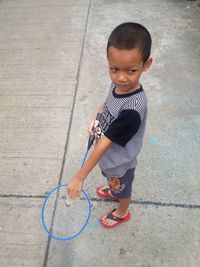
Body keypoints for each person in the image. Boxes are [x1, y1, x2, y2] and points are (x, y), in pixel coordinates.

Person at [67, 22, 153, 228]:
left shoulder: (133, 109)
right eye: (114, 69)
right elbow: (108, 102)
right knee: (113, 181)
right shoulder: (118, 83)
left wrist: (80, 176)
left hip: (119, 162)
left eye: (131, 70)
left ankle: (122, 210)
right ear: (109, 62)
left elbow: (105, 143)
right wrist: (96, 117)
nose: (121, 77)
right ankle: (113, 187)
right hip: (109, 158)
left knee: (122, 188)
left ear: (146, 64)